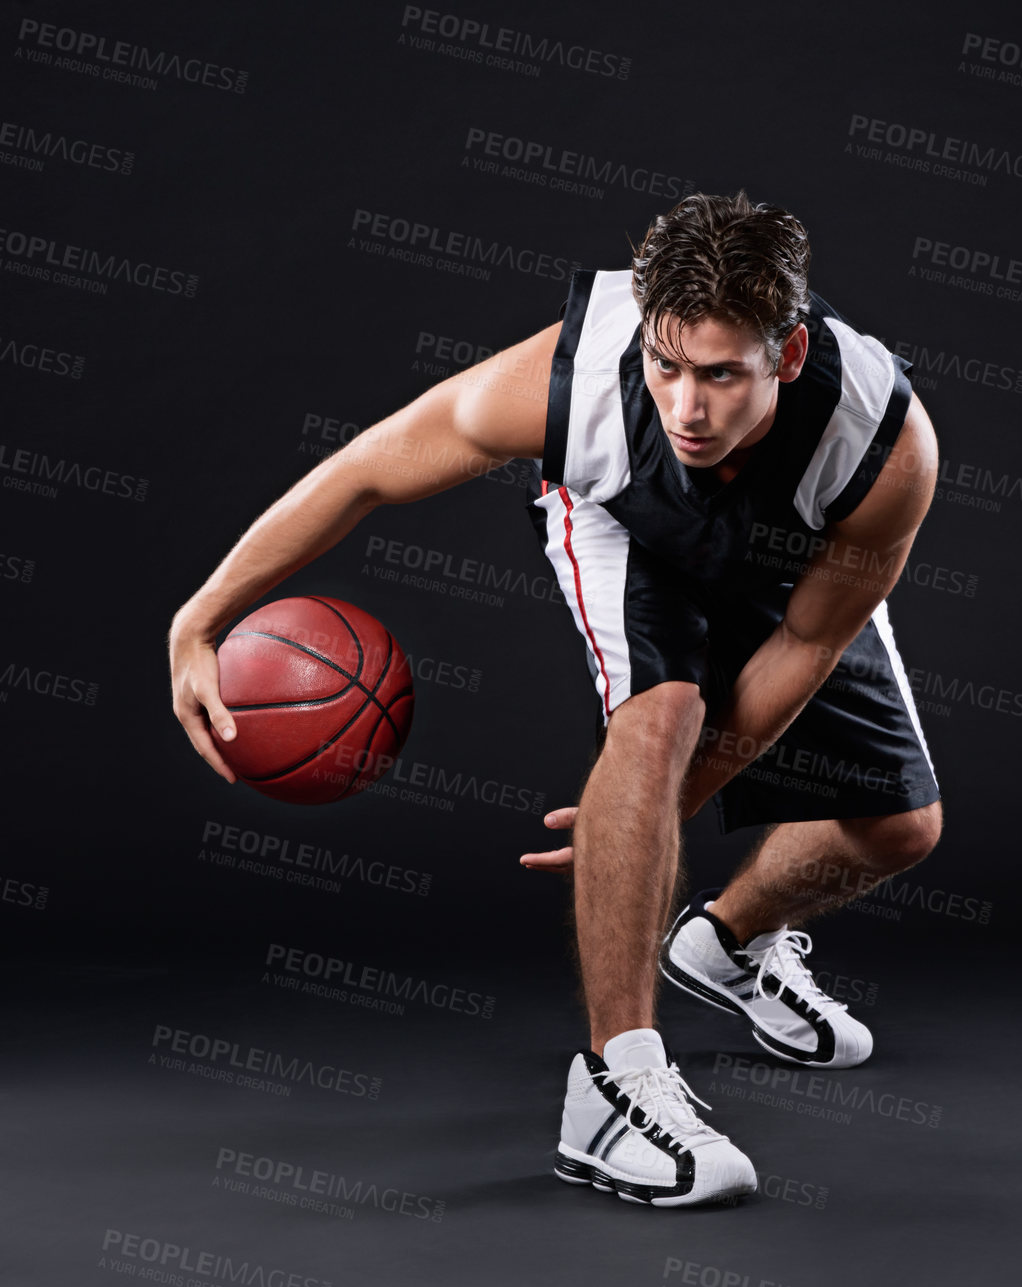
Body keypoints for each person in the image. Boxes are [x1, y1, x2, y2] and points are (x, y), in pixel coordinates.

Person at [169, 191, 942, 1209]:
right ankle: (614, 1084)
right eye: (668, 367)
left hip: (788, 557)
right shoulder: (570, 390)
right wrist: (201, 618)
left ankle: (726, 940)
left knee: (899, 832)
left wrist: (659, 808)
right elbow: (364, 472)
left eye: (721, 375)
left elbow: (804, 639)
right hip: (626, 520)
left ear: (787, 358)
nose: (688, 408)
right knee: (659, 716)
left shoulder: (883, 444)